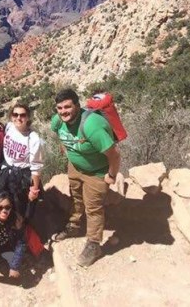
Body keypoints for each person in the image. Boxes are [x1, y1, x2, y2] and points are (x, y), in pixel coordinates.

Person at [51, 88, 121, 267]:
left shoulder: (91, 125)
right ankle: (74, 225)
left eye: (67, 107)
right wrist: (68, 154)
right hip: (75, 167)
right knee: (76, 197)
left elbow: (114, 155)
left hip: (96, 173)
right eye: (59, 108)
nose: (63, 112)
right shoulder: (57, 122)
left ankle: (94, 244)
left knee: (93, 207)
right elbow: (60, 136)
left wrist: (111, 175)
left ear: (77, 105)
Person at [0, 103, 46, 221]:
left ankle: (22, 234)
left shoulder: (33, 138)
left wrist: (34, 190)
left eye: (22, 115)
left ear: (28, 117)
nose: (18, 118)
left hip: (22, 178)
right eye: (15, 114)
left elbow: (36, 166)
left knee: (21, 209)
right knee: (4, 204)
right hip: (6, 174)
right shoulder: (9, 127)